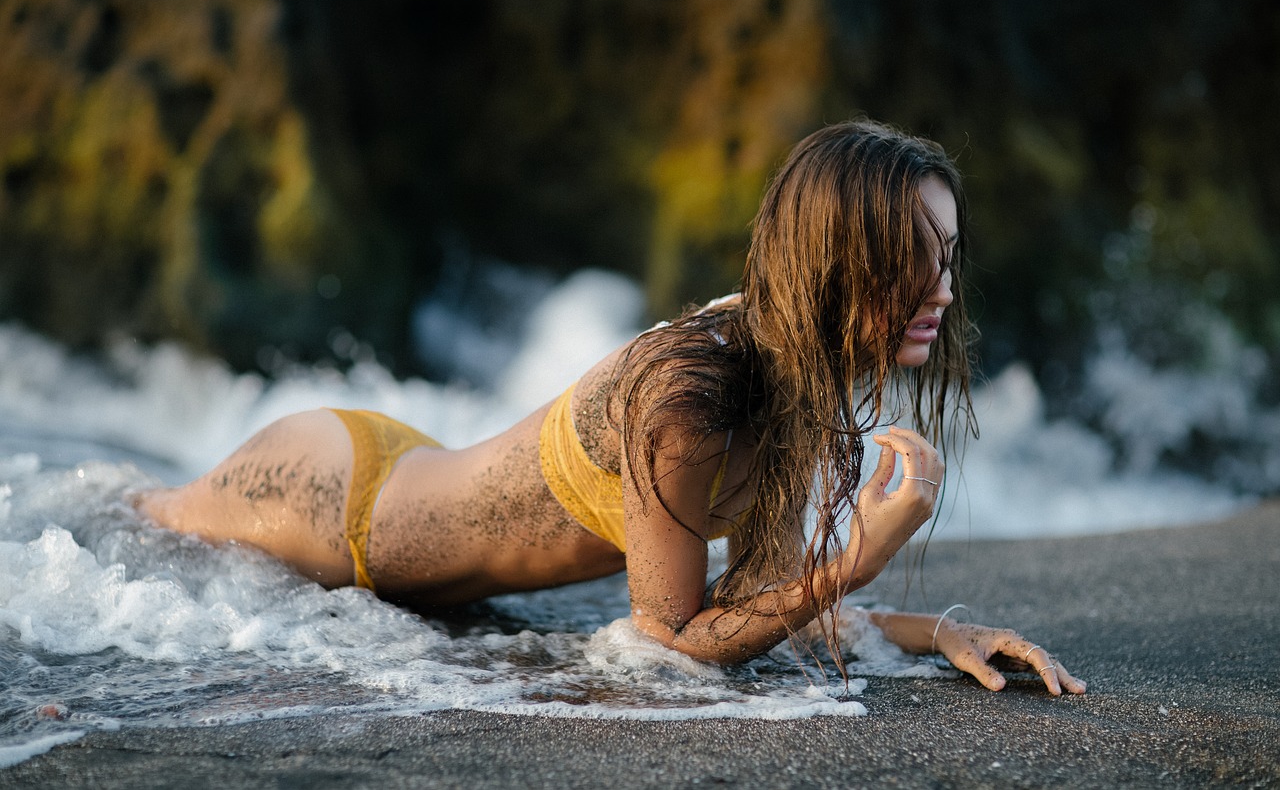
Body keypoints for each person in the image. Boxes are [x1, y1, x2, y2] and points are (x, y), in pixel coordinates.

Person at [136, 118, 1086, 696]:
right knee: (116, 526)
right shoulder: (693, 396)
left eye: (949, 255)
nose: (944, 286)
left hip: (410, 474)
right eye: (919, 256)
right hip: (332, 510)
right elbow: (668, 640)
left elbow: (762, 605)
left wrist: (939, 633)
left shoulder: (796, 377)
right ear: (841, 257)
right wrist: (859, 557)